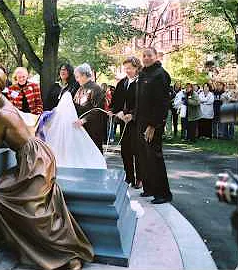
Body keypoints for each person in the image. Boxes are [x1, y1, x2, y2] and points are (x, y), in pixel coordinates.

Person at [0, 65, 94, 270]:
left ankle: (66, 256)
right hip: (36, 155)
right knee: (8, 196)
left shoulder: (0, 114)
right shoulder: (5, 106)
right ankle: (25, 246)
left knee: (17, 202)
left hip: (35, 161)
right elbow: (2, 139)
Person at [135, 47, 173, 204]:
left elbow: (161, 103)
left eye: (149, 55)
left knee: (155, 158)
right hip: (141, 122)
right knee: (144, 158)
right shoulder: (143, 73)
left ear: (156, 56)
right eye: (144, 55)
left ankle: (163, 194)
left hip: (153, 124)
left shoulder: (160, 75)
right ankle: (149, 188)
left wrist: (153, 125)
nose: (146, 58)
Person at [109, 56, 143, 189]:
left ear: (136, 68)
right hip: (123, 121)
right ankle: (129, 177)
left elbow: (143, 103)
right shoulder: (122, 82)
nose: (127, 71)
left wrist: (133, 114)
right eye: (126, 68)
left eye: (130, 68)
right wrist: (114, 111)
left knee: (137, 151)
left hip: (136, 122)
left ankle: (140, 177)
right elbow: (115, 100)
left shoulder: (141, 83)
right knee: (125, 151)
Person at [73, 63, 107, 153]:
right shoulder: (80, 89)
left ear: (84, 75)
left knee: (94, 154)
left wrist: (84, 120)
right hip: (81, 129)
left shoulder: (96, 89)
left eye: (78, 77)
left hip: (93, 129)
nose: (77, 80)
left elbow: (98, 110)